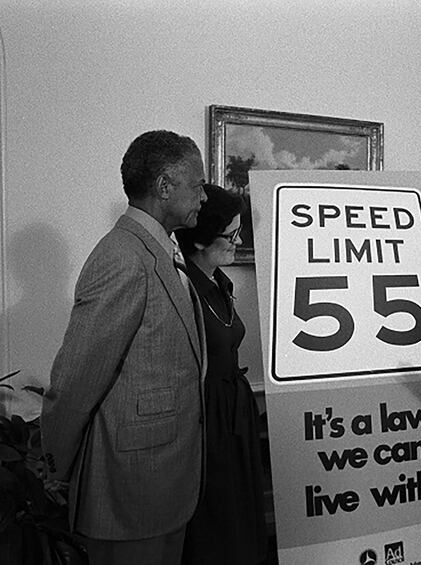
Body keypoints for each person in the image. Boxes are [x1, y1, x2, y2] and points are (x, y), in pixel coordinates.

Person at [41, 130, 207, 565]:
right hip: (129, 491)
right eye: (198, 185)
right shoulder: (122, 257)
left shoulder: (158, 250)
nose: (204, 197)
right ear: (165, 186)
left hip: (161, 483)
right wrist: (54, 468)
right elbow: (76, 380)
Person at [175, 185, 268, 565]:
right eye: (232, 235)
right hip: (206, 417)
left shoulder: (220, 283)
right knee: (215, 518)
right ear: (200, 242)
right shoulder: (184, 289)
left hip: (236, 409)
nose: (240, 241)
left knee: (241, 510)